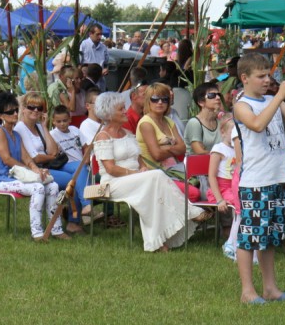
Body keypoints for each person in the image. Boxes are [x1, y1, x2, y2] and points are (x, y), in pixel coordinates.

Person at [232, 52, 285, 304]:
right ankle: (247, 291)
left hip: (276, 178)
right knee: (249, 237)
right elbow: (256, 125)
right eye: (261, 76)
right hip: (255, 181)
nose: (267, 80)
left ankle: (270, 288)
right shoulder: (242, 104)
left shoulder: (270, 100)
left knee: (268, 236)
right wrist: (278, 97)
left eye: (269, 75)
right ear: (245, 78)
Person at [92, 92, 210, 252]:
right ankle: (190, 211)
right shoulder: (102, 137)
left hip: (137, 180)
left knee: (152, 191)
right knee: (156, 176)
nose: (125, 111)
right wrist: (137, 174)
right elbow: (110, 168)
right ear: (109, 114)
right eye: (121, 109)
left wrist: (142, 168)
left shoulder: (127, 134)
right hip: (112, 183)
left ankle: (157, 241)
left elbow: (139, 158)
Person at [0, 91, 67, 241]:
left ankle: (55, 229)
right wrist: (29, 170)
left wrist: (37, 170)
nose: (15, 113)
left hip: (15, 177)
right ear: (0, 115)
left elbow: (26, 158)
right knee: (38, 187)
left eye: (16, 110)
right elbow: (7, 159)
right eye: (10, 112)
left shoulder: (15, 134)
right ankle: (37, 233)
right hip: (0, 179)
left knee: (53, 186)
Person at [136, 82, 199, 201]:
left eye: (164, 99)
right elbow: (157, 155)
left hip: (174, 171)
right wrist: (172, 147)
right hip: (156, 174)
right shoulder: (146, 123)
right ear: (148, 101)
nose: (160, 102)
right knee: (194, 193)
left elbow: (183, 148)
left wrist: (165, 148)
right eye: (155, 99)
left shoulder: (169, 121)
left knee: (202, 183)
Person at [50, 105, 92, 234]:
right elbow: (52, 153)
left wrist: (87, 157)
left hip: (80, 165)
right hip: (64, 164)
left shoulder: (75, 130)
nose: (62, 124)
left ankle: (73, 223)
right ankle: (86, 204)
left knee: (77, 180)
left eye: (64, 120)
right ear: (53, 121)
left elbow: (86, 146)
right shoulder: (52, 134)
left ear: (70, 119)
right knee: (80, 170)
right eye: (58, 121)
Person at [184, 83, 223, 155]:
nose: (218, 97)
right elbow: (199, 151)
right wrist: (222, 155)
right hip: (198, 164)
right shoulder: (194, 123)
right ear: (201, 102)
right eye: (212, 95)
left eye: (219, 95)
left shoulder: (221, 120)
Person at [79, 24, 109, 89]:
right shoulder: (83, 45)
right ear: (90, 34)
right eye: (97, 34)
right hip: (87, 82)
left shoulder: (103, 47)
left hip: (100, 82)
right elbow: (79, 64)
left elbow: (106, 63)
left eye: (101, 34)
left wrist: (106, 69)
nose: (100, 37)